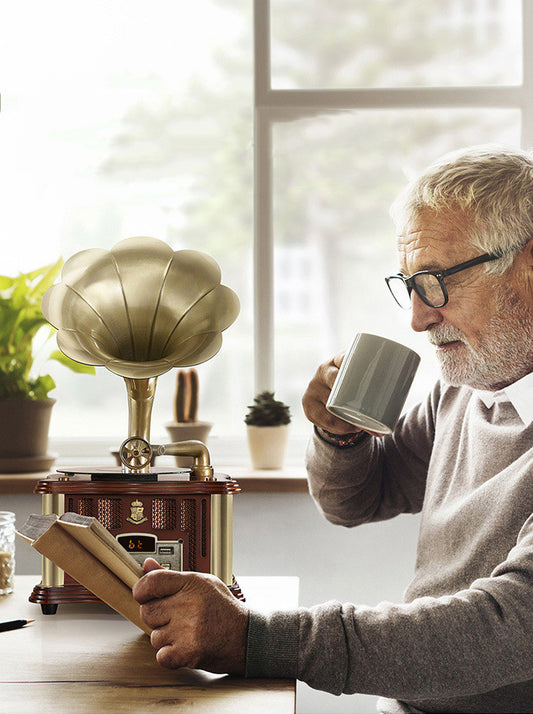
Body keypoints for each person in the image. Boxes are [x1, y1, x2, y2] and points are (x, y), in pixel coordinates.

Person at [133, 145, 533, 714]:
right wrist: (339, 436)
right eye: (410, 285)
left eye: (437, 281)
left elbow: (507, 626)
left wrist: (254, 637)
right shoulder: (470, 386)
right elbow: (356, 499)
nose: (417, 318)